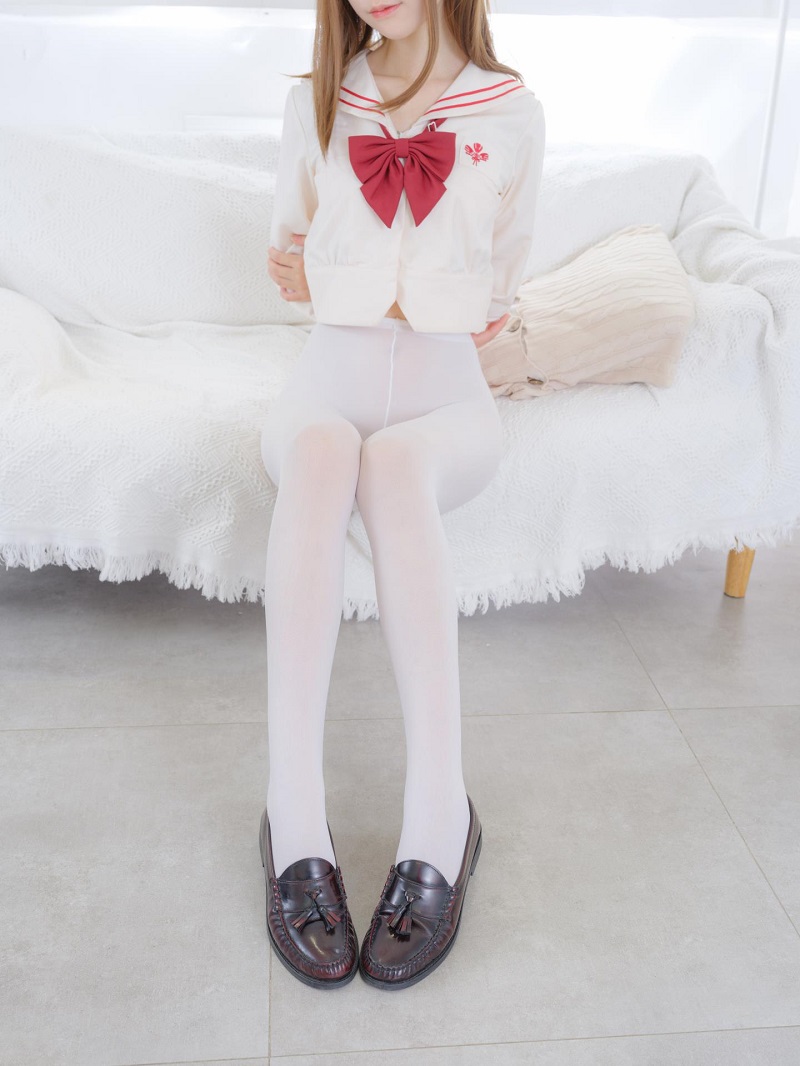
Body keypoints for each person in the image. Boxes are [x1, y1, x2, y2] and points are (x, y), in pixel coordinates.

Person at [259, 0, 546, 992]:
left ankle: (441, 818)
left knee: (390, 463)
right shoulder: (317, 101)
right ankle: (293, 817)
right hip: (322, 381)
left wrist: (419, 285)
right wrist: (318, 270)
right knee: (321, 451)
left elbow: (499, 291)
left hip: (447, 398)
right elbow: (288, 257)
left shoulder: (511, 111)